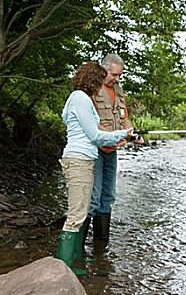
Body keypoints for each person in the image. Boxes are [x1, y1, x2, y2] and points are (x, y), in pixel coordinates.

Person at [56, 61, 135, 276]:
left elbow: (67, 119)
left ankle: (74, 259)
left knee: (80, 210)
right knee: (77, 214)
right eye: (101, 79)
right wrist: (122, 135)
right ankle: (64, 268)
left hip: (83, 158)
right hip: (80, 160)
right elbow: (94, 134)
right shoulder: (81, 99)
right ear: (93, 79)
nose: (103, 84)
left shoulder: (77, 99)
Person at [84, 53, 143, 249]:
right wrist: (116, 136)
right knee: (93, 197)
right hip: (95, 150)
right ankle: (79, 250)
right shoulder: (91, 90)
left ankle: (101, 248)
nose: (117, 79)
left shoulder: (118, 90)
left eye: (120, 76)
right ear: (104, 69)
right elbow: (90, 124)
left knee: (107, 197)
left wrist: (132, 134)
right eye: (114, 75)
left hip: (112, 151)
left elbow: (125, 118)